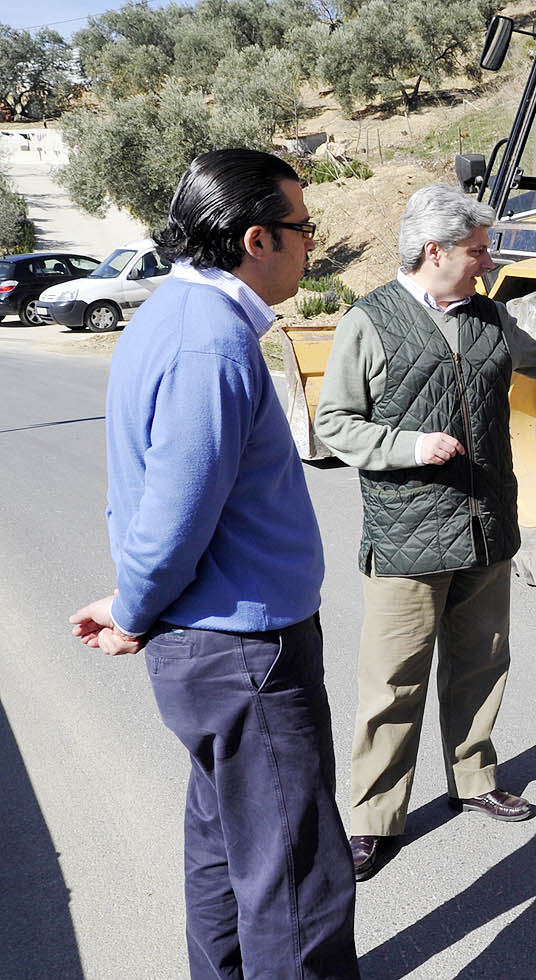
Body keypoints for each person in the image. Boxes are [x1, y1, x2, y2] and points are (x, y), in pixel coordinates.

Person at [313, 182, 536, 882]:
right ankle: (373, 819)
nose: (488, 261)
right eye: (478, 250)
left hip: (485, 528)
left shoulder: (491, 318)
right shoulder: (371, 321)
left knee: (481, 664)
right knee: (393, 683)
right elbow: (334, 425)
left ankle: (474, 781)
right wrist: (410, 447)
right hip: (408, 537)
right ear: (434, 250)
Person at [68, 148, 359, 979]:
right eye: (304, 228)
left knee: (226, 850)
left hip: (215, 646)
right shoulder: (211, 343)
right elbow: (175, 510)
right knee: (297, 881)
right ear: (257, 238)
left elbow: (164, 497)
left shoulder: (175, 315)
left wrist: (136, 599)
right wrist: (132, 609)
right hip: (245, 654)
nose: (314, 243)